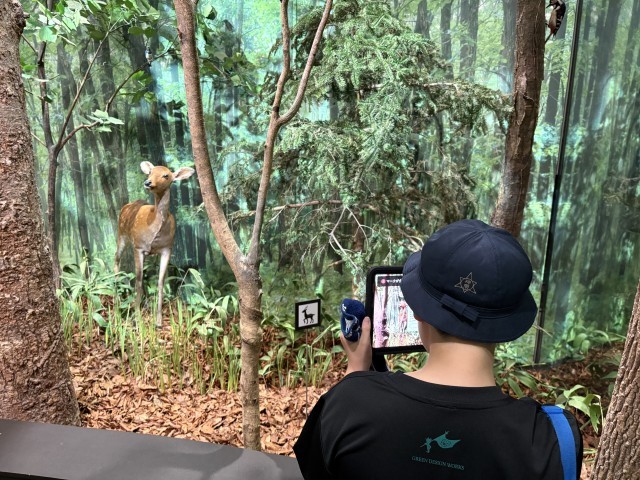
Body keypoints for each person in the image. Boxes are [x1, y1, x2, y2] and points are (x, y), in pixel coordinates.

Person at [294, 219, 582, 479]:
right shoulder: (553, 441)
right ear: (508, 324)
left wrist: (355, 377)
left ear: (417, 311)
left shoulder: (347, 405)